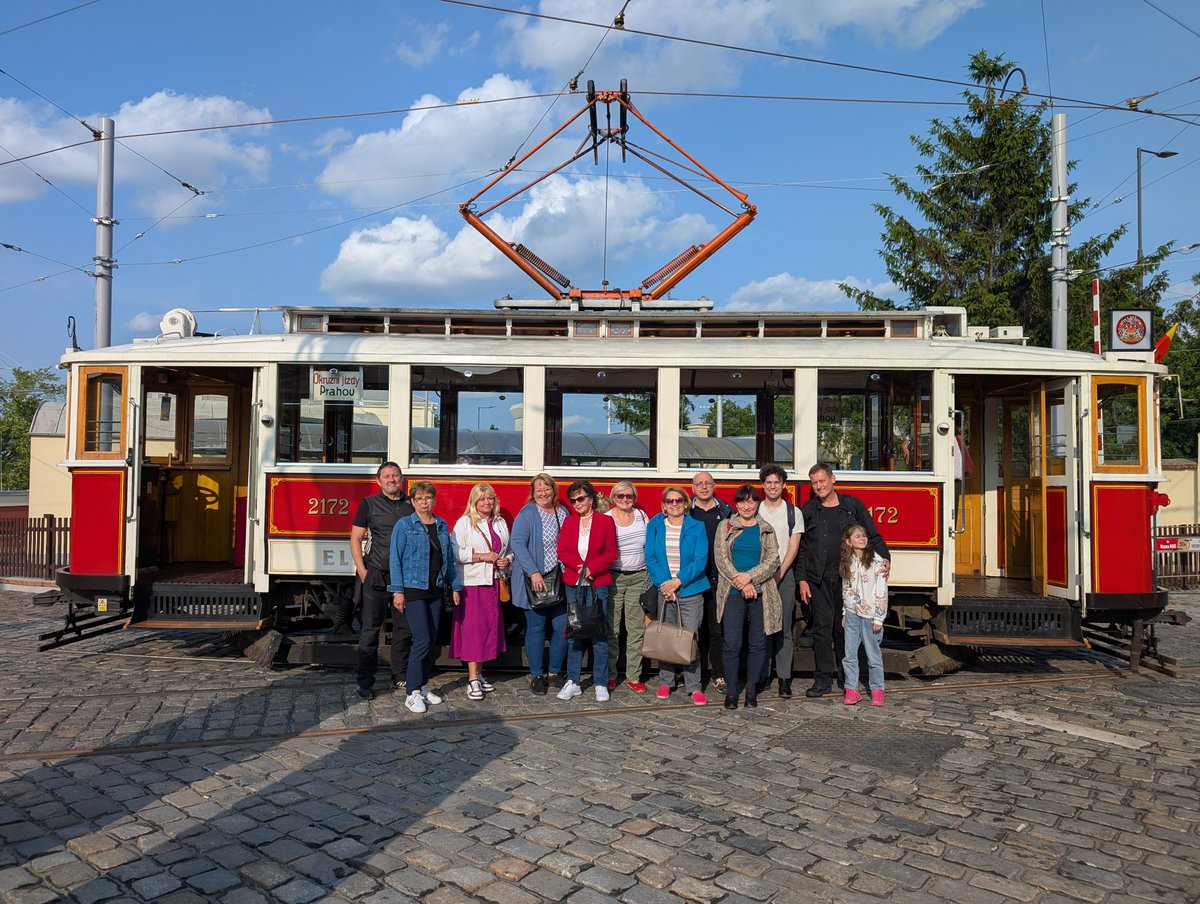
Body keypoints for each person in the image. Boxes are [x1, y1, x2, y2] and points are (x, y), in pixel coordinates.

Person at [798, 462, 890, 698]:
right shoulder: (808, 510)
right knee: (821, 629)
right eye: (814, 483)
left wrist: (886, 559)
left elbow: (872, 535)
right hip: (818, 580)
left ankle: (847, 679)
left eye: (822, 481)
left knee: (845, 632)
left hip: (848, 581)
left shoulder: (852, 506)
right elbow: (802, 549)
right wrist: (802, 580)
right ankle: (822, 680)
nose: (818, 486)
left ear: (833, 480)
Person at [388, 480, 461, 715]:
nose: (423, 502)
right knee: (421, 639)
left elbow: (447, 561)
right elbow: (395, 560)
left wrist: (456, 586)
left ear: (433, 500)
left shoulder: (440, 525)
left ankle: (421, 685)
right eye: (418, 499)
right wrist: (397, 591)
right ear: (412, 501)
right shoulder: (404, 525)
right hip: (413, 590)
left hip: (435, 590)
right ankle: (412, 693)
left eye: (427, 498)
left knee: (430, 642)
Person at [713, 485, 782, 710]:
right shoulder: (726, 526)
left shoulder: (766, 528)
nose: (746, 506)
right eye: (742, 502)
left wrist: (750, 578)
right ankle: (732, 692)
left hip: (761, 592)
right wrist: (741, 583)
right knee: (732, 644)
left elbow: (773, 561)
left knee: (757, 644)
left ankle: (751, 691)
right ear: (736, 504)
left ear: (757, 504)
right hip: (732, 592)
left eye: (751, 501)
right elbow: (721, 559)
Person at [350, 462, 414, 700]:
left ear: (401, 478)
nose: (391, 479)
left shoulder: (411, 504)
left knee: (403, 630)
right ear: (379, 481)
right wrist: (363, 571)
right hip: (376, 575)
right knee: (369, 631)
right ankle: (365, 682)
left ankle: (400, 675)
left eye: (395, 475)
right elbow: (355, 539)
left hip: (404, 578)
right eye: (386, 476)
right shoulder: (368, 504)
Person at [645, 486, 711, 705]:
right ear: (664, 505)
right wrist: (665, 585)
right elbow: (651, 558)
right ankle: (666, 682)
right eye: (670, 501)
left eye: (679, 501)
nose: (674, 504)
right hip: (664, 589)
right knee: (666, 637)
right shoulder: (655, 525)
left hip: (690, 589)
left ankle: (694, 686)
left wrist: (678, 581)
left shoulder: (697, 527)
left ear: (686, 504)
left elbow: (700, 560)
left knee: (689, 638)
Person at [556, 479, 618, 702]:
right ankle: (573, 681)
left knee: (599, 633)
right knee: (574, 633)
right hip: (574, 582)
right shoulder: (570, 522)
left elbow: (611, 552)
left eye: (580, 498)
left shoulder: (605, 522)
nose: (577, 503)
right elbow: (562, 551)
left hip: (598, 583)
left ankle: (601, 682)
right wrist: (579, 567)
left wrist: (592, 568)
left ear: (591, 499)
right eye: (573, 500)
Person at [510, 473, 569, 696]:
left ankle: (554, 672)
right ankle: (536, 675)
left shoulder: (562, 511)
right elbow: (517, 543)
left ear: (554, 490)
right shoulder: (528, 513)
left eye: (547, 489)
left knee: (561, 627)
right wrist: (534, 572)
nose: (543, 493)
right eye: (538, 490)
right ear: (533, 493)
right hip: (536, 580)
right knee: (536, 627)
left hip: (559, 579)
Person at [451, 483, 511, 701]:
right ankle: (472, 679)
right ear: (474, 501)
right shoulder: (465, 522)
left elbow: (509, 549)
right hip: (473, 584)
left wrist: (507, 560)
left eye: (490, 498)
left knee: (488, 629)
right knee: (474, 631)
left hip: (494, 582)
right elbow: (455, 552)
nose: (487, 502)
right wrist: (483, 556)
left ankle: (480, 673)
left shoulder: (501, 522)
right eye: (482, 499)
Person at [758, 463, 804, 698]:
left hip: (783, 575)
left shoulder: (793, 513)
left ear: (783, 485)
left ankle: (784, 678)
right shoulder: (755, 510)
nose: (773, 486)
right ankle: (762, 674)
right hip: (759, 576)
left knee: (784, 627)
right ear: (763, 485)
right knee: (761, 627)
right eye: (768, 482)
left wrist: (780, 572)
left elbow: (793, 547)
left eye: (777, 482)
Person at [689, 471, 733, 694]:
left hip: (718, 579)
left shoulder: (726, 512)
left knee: (717, 630)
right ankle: (686, 672)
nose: (704, 487)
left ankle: (718, 674)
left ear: (714, 486)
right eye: (699, 484)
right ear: (693, 487)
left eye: (708, 483)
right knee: (689, 630)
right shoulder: (686, 511)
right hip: (692, 580)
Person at [607, 480, 650, 693]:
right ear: (613, 498)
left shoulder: (642, 517)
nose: (625, 499)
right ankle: (611, 674)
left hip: (639, 577)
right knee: (612, 629)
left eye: (629, 496)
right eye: (620, 496)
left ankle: (634, 676)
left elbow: (650, 545)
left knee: (635, 629)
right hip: (614, 578)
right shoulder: (606, 519)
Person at [840, 524, 888, 706]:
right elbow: (846, 588)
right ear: (848, 542)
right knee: (849, 654)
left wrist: (879, 617)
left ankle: (877, 690)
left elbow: (881, 591)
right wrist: (845, 611)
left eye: (864, 536)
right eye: (858, 536)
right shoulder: (847, 561)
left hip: (870, 617)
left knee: (873, 655)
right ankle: (851, 689)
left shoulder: (877, 561)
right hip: (852, 614)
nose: (862, 538)